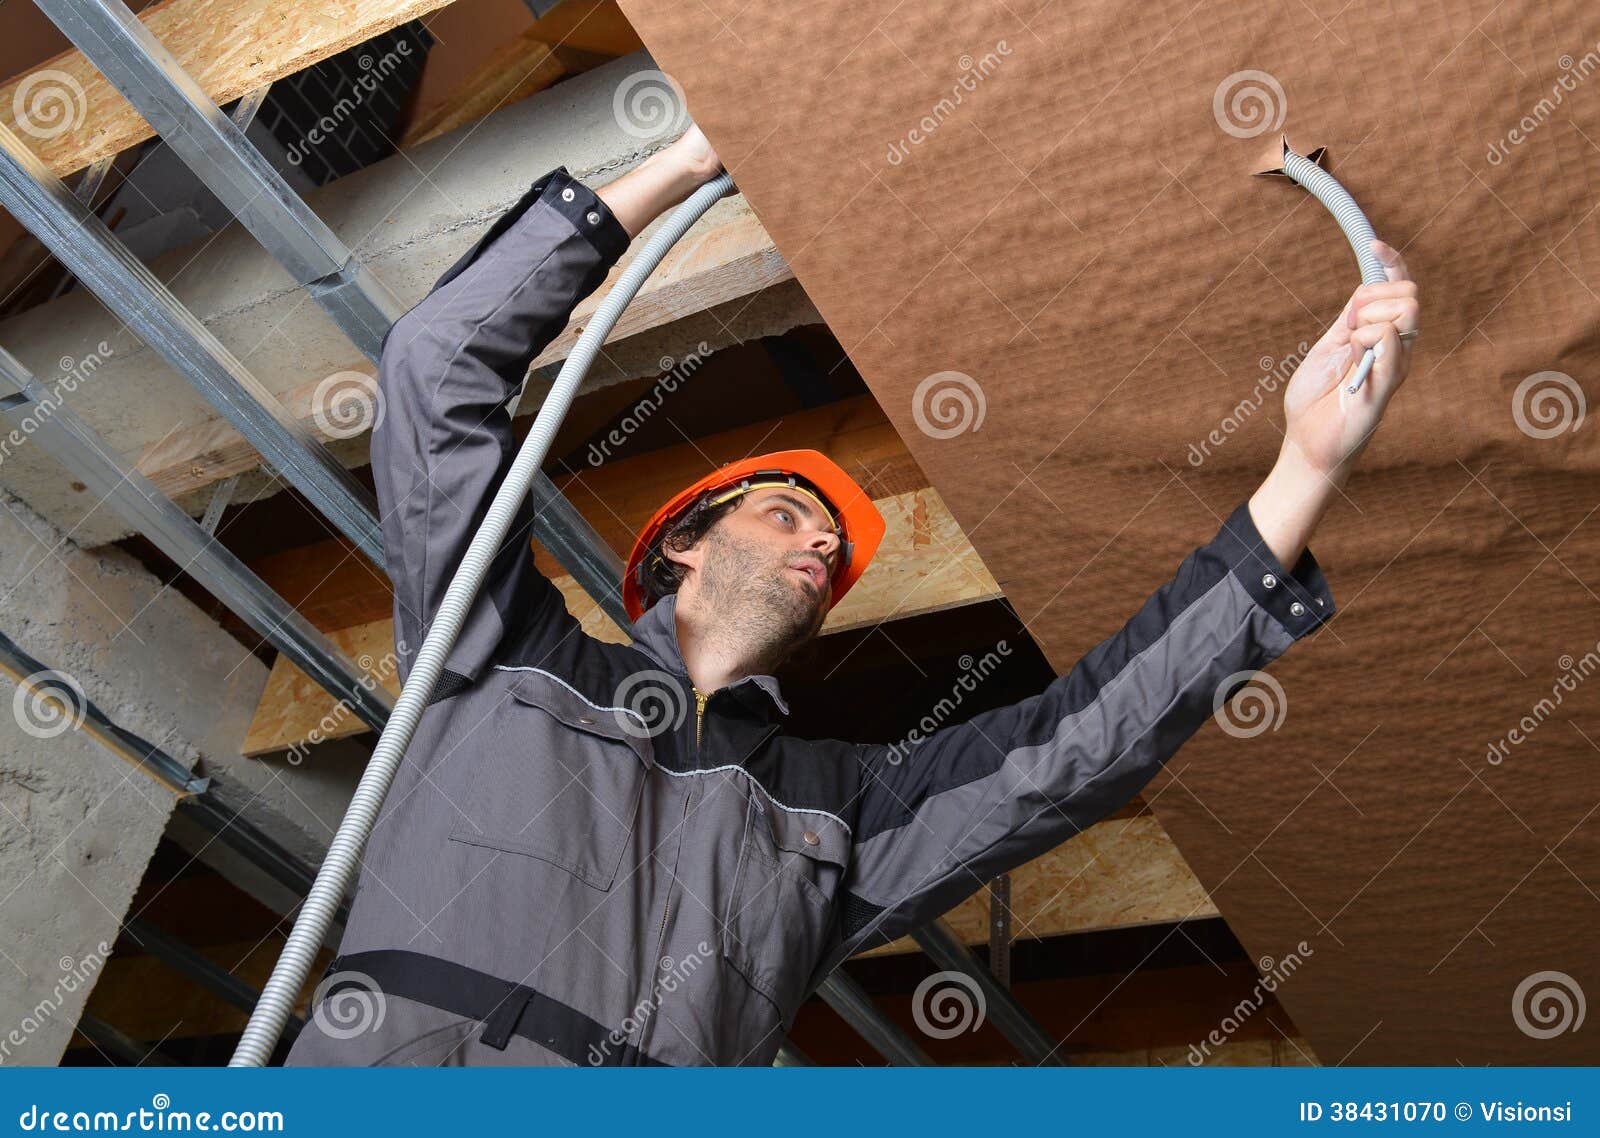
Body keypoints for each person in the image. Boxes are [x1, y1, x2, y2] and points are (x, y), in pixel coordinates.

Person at [285, 125, 1419, 1066]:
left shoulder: (840, 811)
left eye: (833, 549)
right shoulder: (500, 653)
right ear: (680, 543)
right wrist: (685, 161)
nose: (820, 547)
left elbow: (1077, 747)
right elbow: (437, 369)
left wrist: (1303, 472)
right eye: (788, 514)